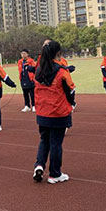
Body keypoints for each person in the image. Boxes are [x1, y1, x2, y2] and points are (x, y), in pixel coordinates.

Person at [33, 40, 75, 184]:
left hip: (42, 112)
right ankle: (55, 173)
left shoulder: (39, 70)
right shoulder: (62, 71)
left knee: (44, 140)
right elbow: (71, 90)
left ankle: (39, 165)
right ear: (58, 53)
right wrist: (72, 103)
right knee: (56, 143)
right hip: (58, 112)